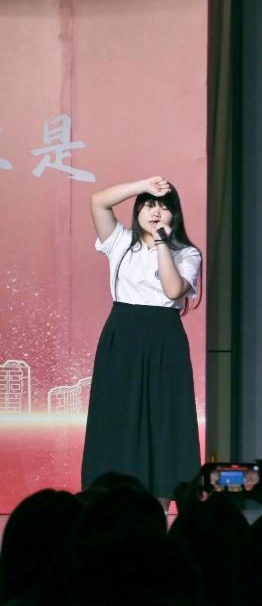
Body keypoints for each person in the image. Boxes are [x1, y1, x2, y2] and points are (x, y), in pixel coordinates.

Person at [84, 176, 202, 501]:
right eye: (149, 205)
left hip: (164, 338)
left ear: (175, 215)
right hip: (122, 334)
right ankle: (110, 500)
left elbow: (173, 290)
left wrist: (162, 243)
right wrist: (143, 186)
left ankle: (160, 507)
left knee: (164, 419)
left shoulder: (186, 253)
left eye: (163, 207)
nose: (155, 212)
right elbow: (98, 201)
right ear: (137, 210)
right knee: (117, 416)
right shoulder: (121, 241)